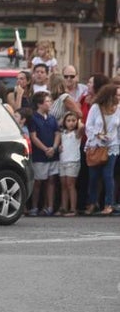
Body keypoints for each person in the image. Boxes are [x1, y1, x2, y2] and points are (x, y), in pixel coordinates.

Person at [83, 83, 120, 215]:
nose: (119, 97)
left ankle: (109, 204)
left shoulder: (119, 109)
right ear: (109, 95)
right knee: (93, 176)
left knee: (108, 175)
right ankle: (92, 203)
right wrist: (98, 135)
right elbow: (88, 126)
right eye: (117, 95)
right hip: (96, 145)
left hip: (112, 146)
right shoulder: (95, 108)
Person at [26, 91, 58, 216]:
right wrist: (45, 149)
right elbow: (33, 136)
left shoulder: (52, 118)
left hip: (52, 154)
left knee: (51, 180)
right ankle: (34, 206)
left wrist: (54, 148)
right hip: (40, 155)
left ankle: (49, 206)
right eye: (47, 101)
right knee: (38, 181)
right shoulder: (33, 118)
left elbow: (57, 133)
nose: (50, 104)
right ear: (39, 104)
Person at [56, 109, 81, 218]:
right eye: (68, 120)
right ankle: (64, 207)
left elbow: (82, 127)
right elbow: (59, 126)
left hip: (73, 161)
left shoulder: (77, 133)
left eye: (73, 120)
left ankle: (73, 208)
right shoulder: (62, 133)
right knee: (63, 185)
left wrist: (78, 120)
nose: (71, 123)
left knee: (71, 185)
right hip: (63, 161)